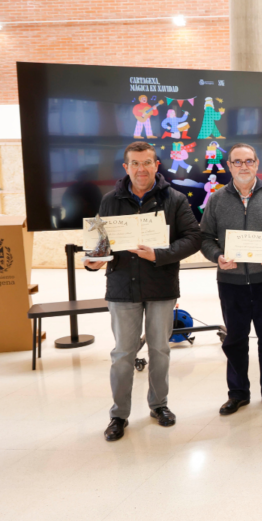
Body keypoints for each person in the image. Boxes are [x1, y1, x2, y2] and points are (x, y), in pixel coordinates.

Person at [85, 141, 201, 442]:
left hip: (161, 286)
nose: (141, 169)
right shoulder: (110, 200)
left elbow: (193, 238)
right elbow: (101, 244)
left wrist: (159, 255)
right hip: (122, 289)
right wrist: (94, 261)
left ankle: (159, 406)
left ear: (156, 165)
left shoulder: (174, 199)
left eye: (147, 162)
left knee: (160, 350)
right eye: (135, 164)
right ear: (126, 168)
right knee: (123, 353)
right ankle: (118, 415)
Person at [200, 143, 262, 415]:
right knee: (234, 341)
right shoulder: (217, 200)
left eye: (249, 161)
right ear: (229, 166)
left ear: (257, 164)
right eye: (237, 161)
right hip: (231, 283)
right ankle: (238, 393)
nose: (244, 166)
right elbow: (205, 237)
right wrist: (217, 256)